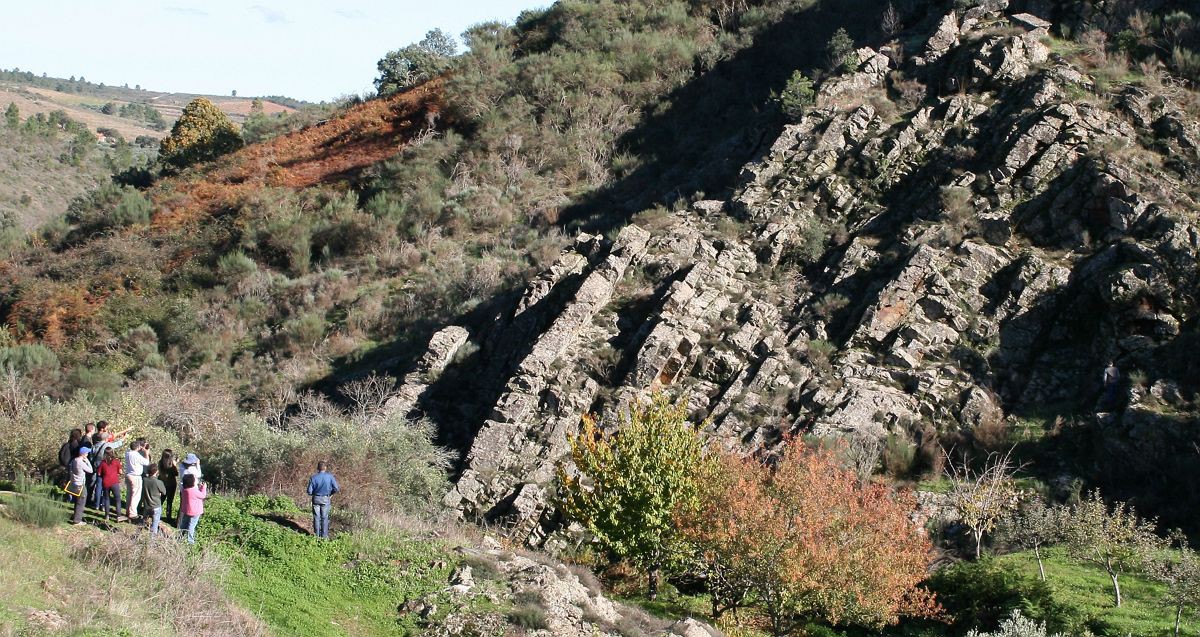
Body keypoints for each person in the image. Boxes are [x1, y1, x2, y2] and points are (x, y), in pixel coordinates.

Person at [306, 461, 340, 539]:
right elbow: (336, 488)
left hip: (316, 499)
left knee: (316, 517)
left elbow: (309, 491)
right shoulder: (330, 477)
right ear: (325, 468)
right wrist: (331, 494)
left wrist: (315, 494)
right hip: (325, 498)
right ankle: (324, 537)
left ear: (318, 468)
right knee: (324, 517)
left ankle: (316, 536)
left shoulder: (313, 477)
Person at [124, 439, 151, 522]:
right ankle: (133, 514)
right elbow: (146, 463)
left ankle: (128, 511)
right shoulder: (136, 455)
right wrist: (146, 453)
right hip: (136, 476)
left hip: (128, 475)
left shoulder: (128, 453)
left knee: (129, 494)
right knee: (136, 495)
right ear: (138, 447)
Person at [177, 474, 207, 544]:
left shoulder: (184, 489)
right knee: (191, 526)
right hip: (195, 512)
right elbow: (203, 495)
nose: (197, 479)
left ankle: (179, 539)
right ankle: (190, 541)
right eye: (195, 479)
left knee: (183, 525)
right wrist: (204, 487)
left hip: (186, 510)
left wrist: (199, 487)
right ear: (192, 482)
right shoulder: (193, 490)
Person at [96, 447, 124, 521]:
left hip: (106, 482)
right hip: (114, 482)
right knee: (117, 499)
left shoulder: (102, 463)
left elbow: (99, 473)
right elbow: (121, 472)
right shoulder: (116, 461)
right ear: (112, 453)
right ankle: (118, 516)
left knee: (106, 499)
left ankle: (107, 515)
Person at [69, 446, 92, 525]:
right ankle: (77, 520)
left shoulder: (74, 460)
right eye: (87, 453)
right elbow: (90, 470)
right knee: (81, 502)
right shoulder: (81, 462)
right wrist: (87, 461)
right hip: (80, 484)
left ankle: (75, 517)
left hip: (74, 483)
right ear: (83, 454)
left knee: (76, 501)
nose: (88, 454)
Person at [142, 463, 167, 536]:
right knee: (154, 526)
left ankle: (137, 536)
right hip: (156, 506)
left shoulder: (144, 480)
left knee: (143, 523)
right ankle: (152, 543)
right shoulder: (158, 482)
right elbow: (164, 492)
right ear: (156, 471)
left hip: (147, 505)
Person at [159, 450, 179, 522]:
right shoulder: (171, 465)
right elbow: (176, 473)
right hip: (171, 484)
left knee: (161, 500)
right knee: (169, 501)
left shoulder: (160, 463)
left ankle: (158, 514)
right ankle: (168, 517)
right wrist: (175, 464)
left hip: (163, 484)